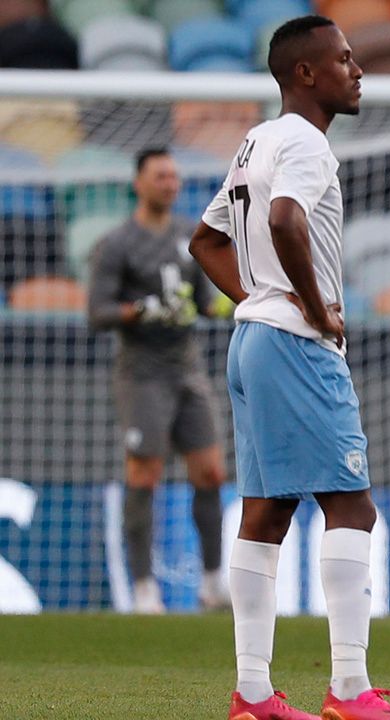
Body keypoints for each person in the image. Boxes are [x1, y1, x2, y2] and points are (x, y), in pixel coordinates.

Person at [188, 15, 390, 720]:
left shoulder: (257, 139)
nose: (358, 70)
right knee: (352, 505)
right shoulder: (306, 145)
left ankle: (253, 694)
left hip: (252, 340)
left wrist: (260, 297)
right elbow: (288, 219)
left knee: (267, 511)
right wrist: (317, 310)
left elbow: (204, 241)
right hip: (294, 344)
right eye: (344, 60)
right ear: (305, 74)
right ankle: (350, 690)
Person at [87, 147, 229, 615]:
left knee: (210, 470)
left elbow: (207, 303)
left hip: (187, 370)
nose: (170, 183)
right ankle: (144, 589)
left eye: (174, 176)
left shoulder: (190, 235)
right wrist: (138, 309)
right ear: (138, 183)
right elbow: (97, 312)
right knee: (143, 473)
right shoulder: (118, 243)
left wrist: (234, 305)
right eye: (160, 176)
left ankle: (212, 583)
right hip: (141, 373)